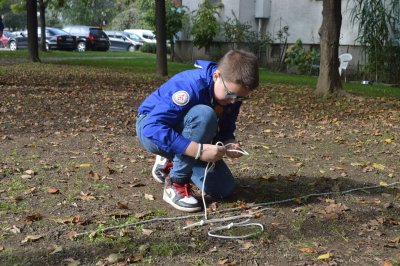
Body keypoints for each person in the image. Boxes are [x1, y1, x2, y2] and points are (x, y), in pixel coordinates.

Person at [135, 49, 259, 212]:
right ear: (217, 76)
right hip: (151, 128)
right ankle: (175, 183)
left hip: (190, 136)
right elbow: (152, 127)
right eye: (231, 94)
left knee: (223, 188)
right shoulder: (190, 86)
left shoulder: (232, 93)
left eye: (241, 97)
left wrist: (229, 141)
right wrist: (199, 151)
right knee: (204, 115)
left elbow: (226, 125)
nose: (234, 101)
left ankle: (172, 160)